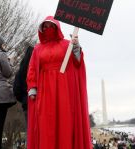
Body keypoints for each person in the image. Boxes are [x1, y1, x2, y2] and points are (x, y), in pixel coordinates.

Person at [26, 16, 91, 149]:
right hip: (45, 90)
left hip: (64, 88)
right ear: (41, 29)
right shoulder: (37, 49)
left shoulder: (67, 44)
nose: (47, 28)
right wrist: (32, 87)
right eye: (45, 26)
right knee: (46, 123)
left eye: (50, 26)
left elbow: (77, 62)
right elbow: (32, 69)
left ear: (56, 27)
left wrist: (76, 46)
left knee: (65, 121)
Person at [13, 45, 34, 131]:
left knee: (30, 131)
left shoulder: (20, 72)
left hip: (26, 103)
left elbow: (16, 90)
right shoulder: (39, 70)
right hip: (39, 103)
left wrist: (23, 98)